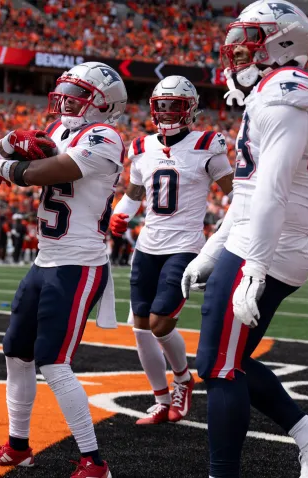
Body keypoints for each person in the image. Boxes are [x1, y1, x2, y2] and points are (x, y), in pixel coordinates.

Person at [181, 2, 308, 476]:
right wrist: (212, 251)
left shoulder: (288, 90)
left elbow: (273, 188)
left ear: (282, 41)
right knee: (222, 360)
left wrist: (253, 266)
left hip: (269, 246)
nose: (236, 50)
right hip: (260, 238)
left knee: (221, 368)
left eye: (249, 38)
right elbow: (250, 192)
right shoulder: (272, 91)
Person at [0, 61, 127, 478]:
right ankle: (18, 447)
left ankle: (94, 462)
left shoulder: (105, 136)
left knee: (54, 362)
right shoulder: (60, 130)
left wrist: (3, 168)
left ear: (102, 103)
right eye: (65, 92)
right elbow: (5, 153)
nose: (65, 101)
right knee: (17, 353)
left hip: (79, 264)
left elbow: (45, 171)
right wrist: (9, 141)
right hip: (45, 260)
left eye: (78, 95)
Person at [109, 75, 233, 425]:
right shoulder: (141, 147)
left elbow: (235, 195)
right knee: (140, 325)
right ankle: (161, 399)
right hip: (148, 245)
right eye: (161, 106)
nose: (165, 112)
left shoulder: (206, 144)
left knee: (161, 321)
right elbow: (134, 195)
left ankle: (182, 378)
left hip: (184, 245)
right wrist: (120, 216)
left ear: (190, 108)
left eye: (174, 106)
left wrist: (225, 237)